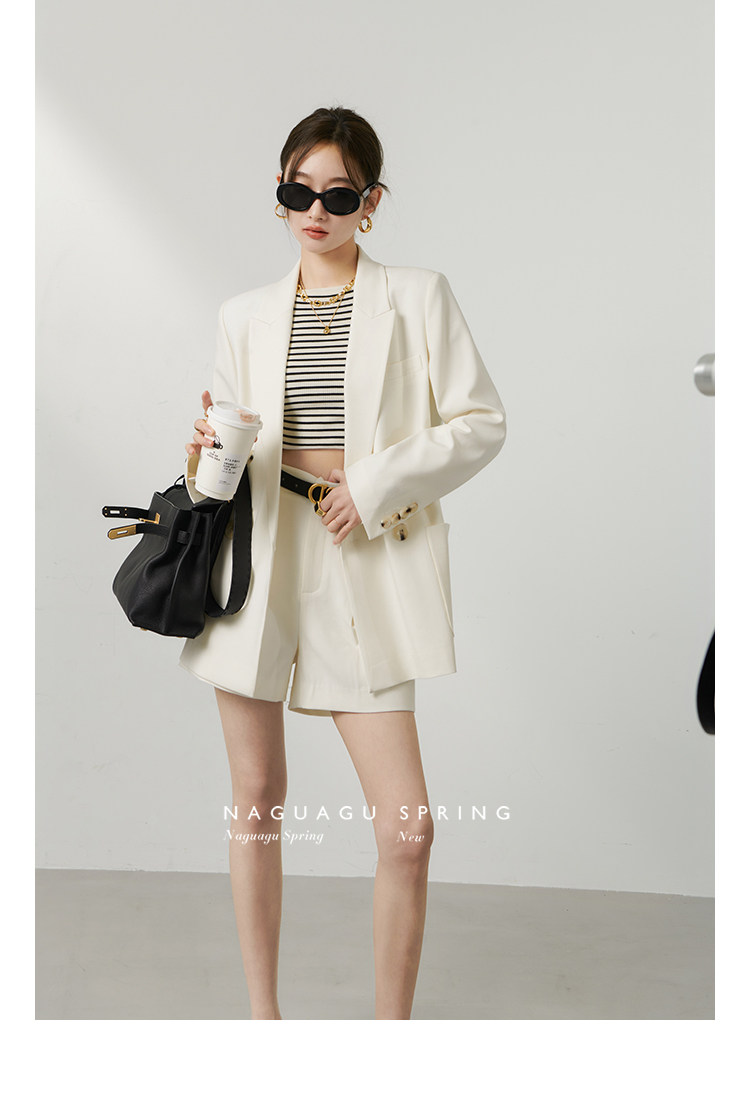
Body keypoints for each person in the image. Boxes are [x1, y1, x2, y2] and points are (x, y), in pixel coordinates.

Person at [182, 106, 507, 1020]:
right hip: (256, 563)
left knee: (408, 830)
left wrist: (374, 484)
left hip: (362, 557)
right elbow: (221, 470)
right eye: (298, 193)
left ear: (371, 202)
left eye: (337, 195)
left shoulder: (418, 297)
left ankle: (386, 1043)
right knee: (256, 797)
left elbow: (480, 421)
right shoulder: (243, 315)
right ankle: (265, 1024)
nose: (315, 212)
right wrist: (203, 450)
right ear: (279, 196)